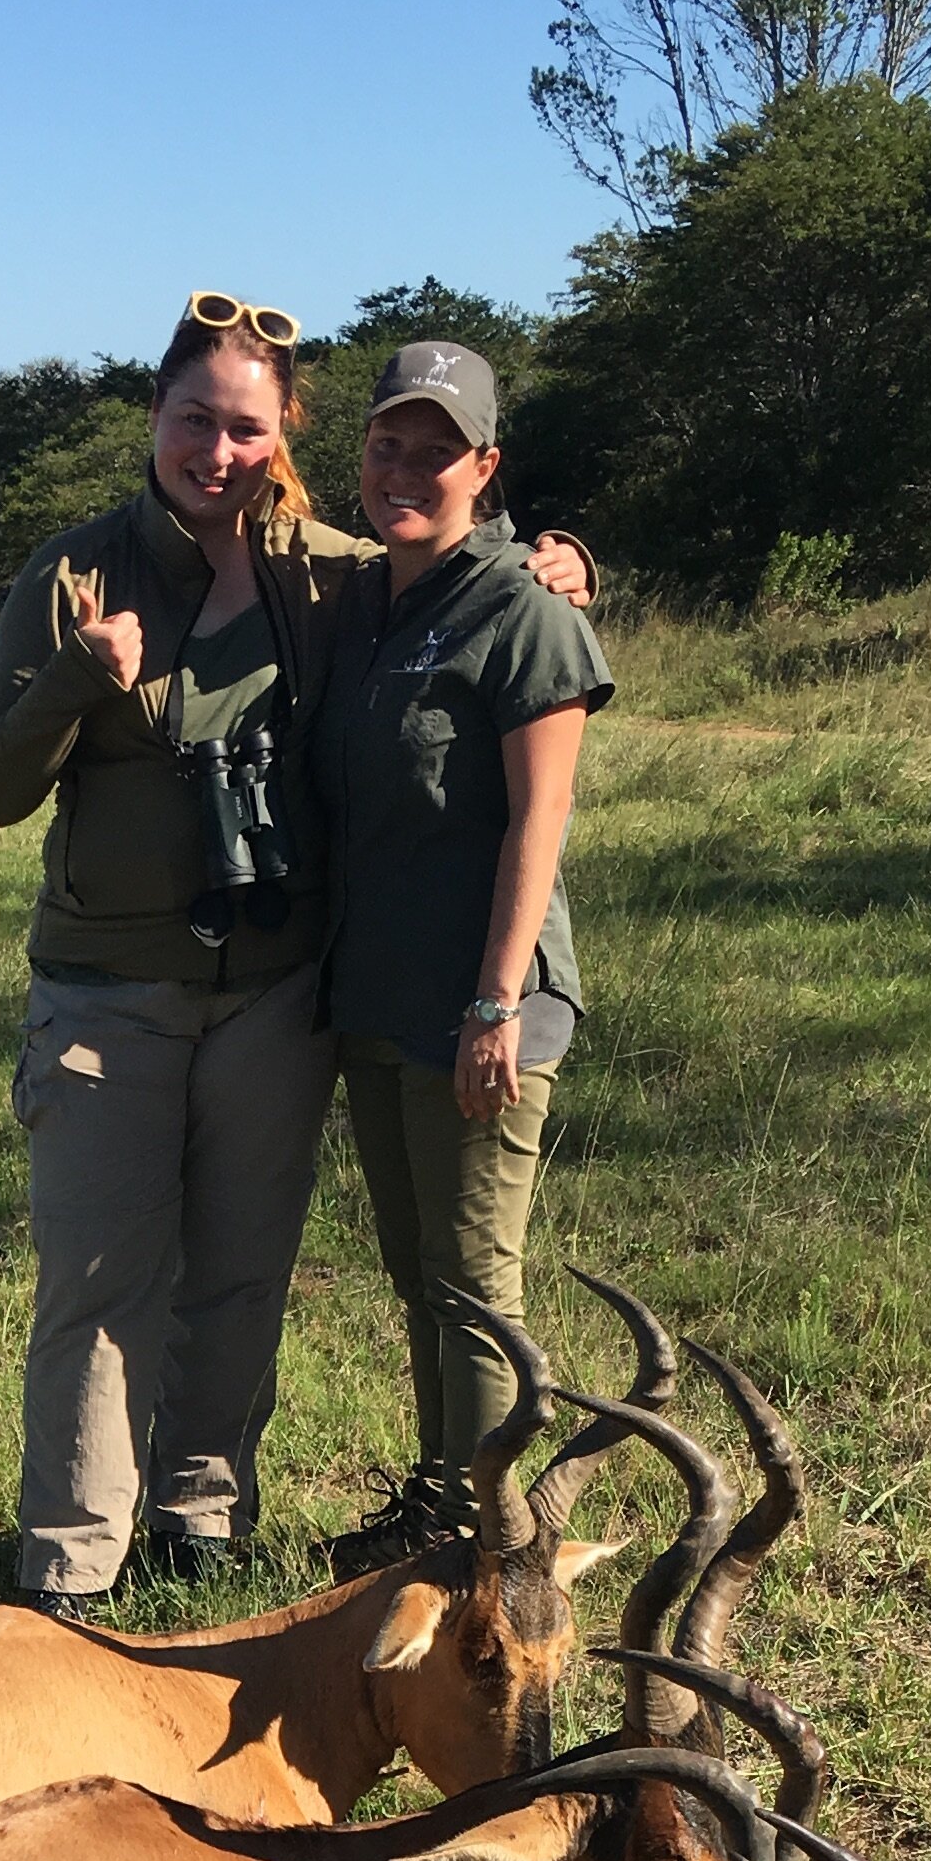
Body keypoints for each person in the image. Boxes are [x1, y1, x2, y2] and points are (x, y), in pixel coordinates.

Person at [0, 299, 592, 1616]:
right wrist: (77, 682)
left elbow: (477, 590)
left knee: (242, 1278)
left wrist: (570, 558)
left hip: (276, 994)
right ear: (157, 419)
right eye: (196, 419)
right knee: (102, 1283)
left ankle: (202, 1524)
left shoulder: (325, 569)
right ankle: (72, 1569)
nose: (219, 449)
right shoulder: (73, 576)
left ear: (282, 434)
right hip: (110, 995)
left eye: (247, 426)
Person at [318, 339, 615, 1573]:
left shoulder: (522, 611)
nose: (406, 468)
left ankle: (492, 1554)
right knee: (420, 1278)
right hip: (378, 999)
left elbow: (538, 820)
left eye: (436, 452)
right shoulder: (369, 598)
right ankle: (443, 1506)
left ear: (485, 468)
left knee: (478, 1289)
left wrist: (496, 1002)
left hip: (482, 1007)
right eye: (389, 443)